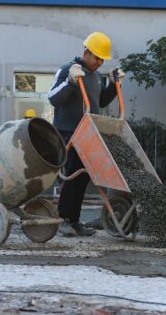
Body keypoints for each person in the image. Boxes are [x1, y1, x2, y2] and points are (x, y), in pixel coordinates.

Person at [48, 31, 125, 236]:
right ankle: (64, 220)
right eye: (97, 57)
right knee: (71, 176)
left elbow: (101, 101)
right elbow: (53, 98)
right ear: (86, 52)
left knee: (83, 178)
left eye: (102, 59)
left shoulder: (96, 76)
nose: (99, 62)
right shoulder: (67, 70)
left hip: (88, 133)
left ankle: (74, 221)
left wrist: (113, 84)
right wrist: (70, 82)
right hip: (68, 133)